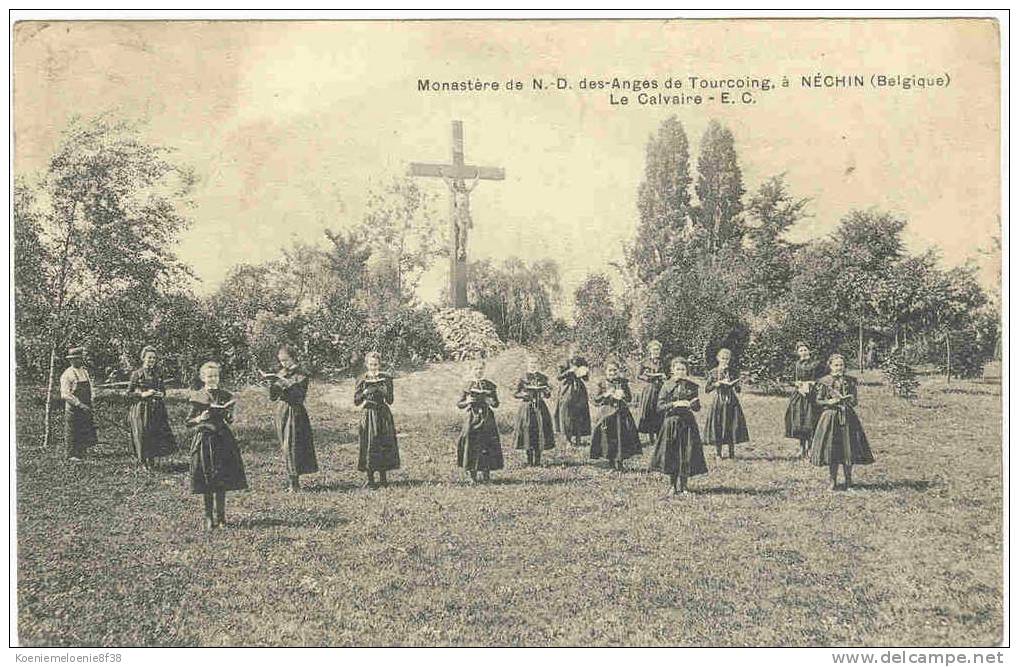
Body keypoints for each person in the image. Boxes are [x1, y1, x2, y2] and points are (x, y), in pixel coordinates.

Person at [187, 361, 247, 531]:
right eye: (209, 376)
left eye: (215, 376)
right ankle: (208, 517)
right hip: (205, 439)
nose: (213, 379)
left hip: (222, 440)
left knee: (221, 478)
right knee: (207, 479)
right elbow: (188, 422)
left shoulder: (225, 395)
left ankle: (221, 518)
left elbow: (229, 420)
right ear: (202, 378)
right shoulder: (197, 396)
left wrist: (229, 414)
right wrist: (200, 418)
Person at [809, 353, 875, 490]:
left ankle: (849, 481)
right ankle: (832, 481)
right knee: (833, 449)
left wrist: (849, 400)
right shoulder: (824, 382)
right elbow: (818, 400)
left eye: (841, 365)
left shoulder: (850, 381)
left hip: (848, 417)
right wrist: (830, 401)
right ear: (830, 366)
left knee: (848, 449)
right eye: (836, 365)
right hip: (831, 417)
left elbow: (855, 401)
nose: (839, 368)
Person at [264, 344, 318, 493]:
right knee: (285, 445)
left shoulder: (301, 374)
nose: (284, 364)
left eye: (286, 360)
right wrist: (272, 384)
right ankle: (292, 480)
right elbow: (273, 397)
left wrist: (286, 385)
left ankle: (294, 482)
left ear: (293, 358)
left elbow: (299, 397)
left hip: (295, 412)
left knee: (293, 445)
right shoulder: (281, 373)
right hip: (282, 411)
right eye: (281, 361)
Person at [650, 356, 707, 495]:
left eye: (683, 369)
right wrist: (674, 404)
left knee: (687, 453)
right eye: (678, 369)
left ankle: (684, 486)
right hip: (671, 423)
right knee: (672, 453)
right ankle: (672, 486)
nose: (680, 372)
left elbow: (697, 407)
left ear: (687, 371)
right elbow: (659, 406)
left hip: (687, 423)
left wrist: (693, 404)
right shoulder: (667, 385)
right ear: (672, 370)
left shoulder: (692, 386)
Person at [354, 351, 400, 488]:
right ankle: (370, 479)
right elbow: (356, 401)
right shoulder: (362, 378)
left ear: (380, 364)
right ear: (366, 365)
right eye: (371, 364)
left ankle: (383, 478)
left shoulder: (386, 378)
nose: (373, 367)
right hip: (369, 413)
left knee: (384, 442)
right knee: (370, 443)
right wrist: (365, 392)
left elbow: (390, 400)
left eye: (376, 364)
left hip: (382, 413)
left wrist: (383, 390)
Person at [127, 345, 177, 469]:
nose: (151, 361)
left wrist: (161, 394)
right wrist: (143, 394)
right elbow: (128, 393)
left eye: (154, 358)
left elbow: (163, 391)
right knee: (142, 434)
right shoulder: (137, 374)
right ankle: (143, 462)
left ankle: (151, 460)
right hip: (141, 409)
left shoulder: (158, 374)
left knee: (154, 433)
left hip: (156, 408)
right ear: (143, 358)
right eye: (149, 358)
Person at [456, 357, 504, 483]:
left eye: (481, 369)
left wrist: (490, 401)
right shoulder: (467, 385)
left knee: (487, 444)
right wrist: (467, 401)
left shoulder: (490, 385)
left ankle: (486, 474)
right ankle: (472, 476)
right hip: (472, 417)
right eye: (476, 369)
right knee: (471, 444)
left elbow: (496, 404)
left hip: (487, 417)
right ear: (471, 370)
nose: (479, 371)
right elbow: (459, 404)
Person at [590, 357, 641, 471]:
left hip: (622, 413)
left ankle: (620, 461)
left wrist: (623, 395)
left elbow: (629, 398)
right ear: (606, 372)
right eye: (610, 371)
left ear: (618, 371)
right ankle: (611, 462)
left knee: (622, 437)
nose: (613, 373)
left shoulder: (622, 382)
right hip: (607, 414)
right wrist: (606, 395)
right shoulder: (601, 383)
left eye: (615, 371)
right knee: (608, 438)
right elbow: (595, 400)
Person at [703, 348, 750, 460]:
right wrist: (716, 384)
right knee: (718, 425)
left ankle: (731, 453)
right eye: (723, 358)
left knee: (731, 424)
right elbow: (707, 389)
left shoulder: (732, 371)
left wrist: (737, 383)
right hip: (719, 401)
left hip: (731, 401)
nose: (725, 360)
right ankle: (718, 453)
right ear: (718, 358)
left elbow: (738, 390)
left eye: (727, 358)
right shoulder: (713, 372)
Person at [512, 354, 556, 466]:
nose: (533, 365)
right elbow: (515, 394)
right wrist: (524, 395)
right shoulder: (523, 378)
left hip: (540, 407)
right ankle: (529, 460)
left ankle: (538, 460)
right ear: (528, 364)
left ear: (539, 364)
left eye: (535, 363)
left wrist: (545, 392)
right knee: (528, 431)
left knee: (540, 431)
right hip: (527, 407)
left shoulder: (543, 377)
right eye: (531, 363)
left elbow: (548, 395)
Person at [784, 341, 824, 459]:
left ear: (809, 351)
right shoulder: (796, 365)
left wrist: (813, 382)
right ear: (797, 353)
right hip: (799, 395)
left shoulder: (816, 364)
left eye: (805, 350)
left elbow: (823, 378)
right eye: (801, 350)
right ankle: (802, 448)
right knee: (799, 421)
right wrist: (796, 383)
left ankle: (811, 448)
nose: (803, 352)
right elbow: (790, 378)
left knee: (810, 421)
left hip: (812, 395)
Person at [60, 347, 98, 462]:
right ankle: (71, 454)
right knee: (73, 429)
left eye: (80, 358)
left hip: (86, 405)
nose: (78, 361)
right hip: (73, 407)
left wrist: (92, 400)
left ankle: (82, 451)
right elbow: (65, 394)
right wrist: (79, 404)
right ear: (71, 360)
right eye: (75, 359)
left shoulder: (84, 371)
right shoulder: (67, 374)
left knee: (84, 427)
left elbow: (90, 387)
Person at [554, 346, 592, 447]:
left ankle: (579, 438)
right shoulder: (563, 362)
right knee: (566, 414)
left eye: (578, 352)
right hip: (567, 389)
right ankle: (568, 440)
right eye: (574, 352)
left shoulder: (582, 362)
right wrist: (570, 371)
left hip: (579, 390)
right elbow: (559, 377)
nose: (576, 354)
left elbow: (586, 378)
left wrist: (585, 372)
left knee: (580, 413)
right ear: (569, 352)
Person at [635, 340, 667, 446]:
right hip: (649, 389)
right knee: (649, 411)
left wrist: (664, 376)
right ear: (649, 350)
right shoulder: (644, 362)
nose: (656, 351)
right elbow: (638, 375)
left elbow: (668, 374)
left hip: (660, 388)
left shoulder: (663, 362)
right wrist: (649, 377)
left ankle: (659, 435)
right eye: (654, 349)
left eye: (658, 349)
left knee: (660, 411)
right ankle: (651, 437)